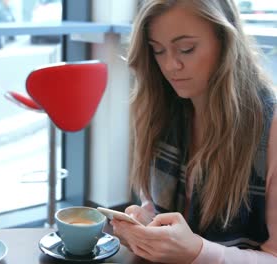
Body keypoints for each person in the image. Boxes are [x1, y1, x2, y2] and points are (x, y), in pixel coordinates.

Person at [111, 0, 277, 263]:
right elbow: (157, 208)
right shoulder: (161, 111)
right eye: (158, 50)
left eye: (186, 49)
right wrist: (145, 225)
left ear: (225, 42)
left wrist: (198, 252)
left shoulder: (270, 129)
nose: (170, 66)